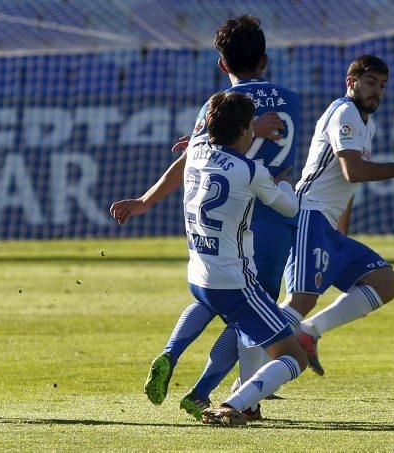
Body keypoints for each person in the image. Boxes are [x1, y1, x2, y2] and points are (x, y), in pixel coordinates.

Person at [109, 15, 302, 420]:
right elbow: (272, 176)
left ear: (221, 64)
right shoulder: (289, 98)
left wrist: (145, 200)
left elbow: (193, 157)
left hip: (217, 233)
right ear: (264, 60)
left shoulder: (215, 107)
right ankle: (240, 398)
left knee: (211, 297)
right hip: (267, 218)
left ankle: (176, 357)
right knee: (252, 313)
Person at [282, 55, 394, 375]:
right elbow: (353, 171)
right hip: (309, 213)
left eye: (383, 86)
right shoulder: (344, 112)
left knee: (385, 281)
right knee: (299, 301)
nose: (377, 91)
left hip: (328, 226)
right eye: (371, 83)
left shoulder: (368, 122)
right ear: (352, 83)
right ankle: (244, 384)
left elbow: (346, 185)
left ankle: (308, 332)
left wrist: (340, 234)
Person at [179, 91, 306, 426]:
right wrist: (289, 186)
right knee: (294, 356)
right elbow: (289, 207)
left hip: (199, 278)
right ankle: (233, 404)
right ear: (245, 130)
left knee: (247, 331)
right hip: (237, 282)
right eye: (251, 126)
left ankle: (232, 400)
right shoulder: (251, 170)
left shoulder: (195, 151)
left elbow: (208, 139)